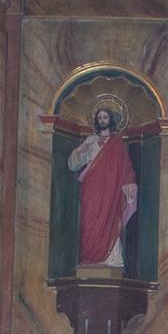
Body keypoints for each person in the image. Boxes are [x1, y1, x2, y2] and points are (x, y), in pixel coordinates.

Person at [68, 104, 139, 271]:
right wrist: (80, 150)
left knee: (110, 218)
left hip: (111, 189)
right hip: (91, 188)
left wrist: (130, 184)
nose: (102, 120)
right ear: (96, 120)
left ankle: (111, 260)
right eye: (100, 117)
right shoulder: (91, 141)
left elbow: (126, 167)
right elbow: (73, 165)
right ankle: (91, 258)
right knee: (90, 220)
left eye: (105, 117)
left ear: (110, 120)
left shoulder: (118, 143)